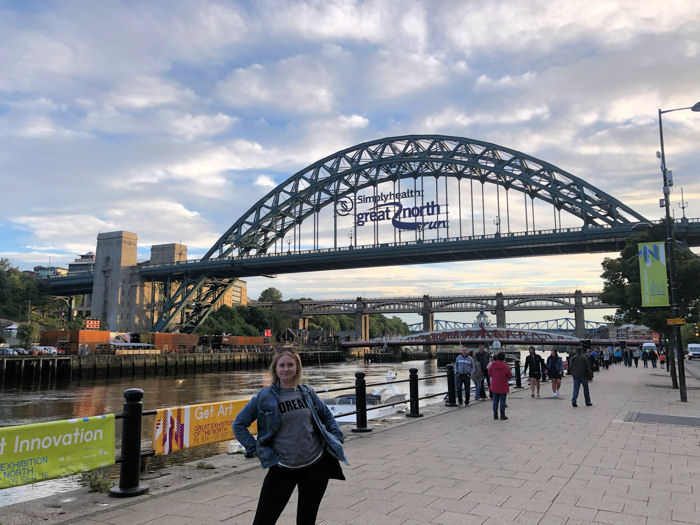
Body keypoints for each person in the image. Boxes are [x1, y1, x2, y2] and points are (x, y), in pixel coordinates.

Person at [233, 349, 348, 525]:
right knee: (263, 520)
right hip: (282, 468)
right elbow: (238, 425)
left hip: (316, 467)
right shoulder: (264, 397)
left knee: (306, 520)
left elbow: (327, 416)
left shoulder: (307, 393)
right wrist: (256, 449)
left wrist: (337, 437)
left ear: (297, 367)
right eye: (282, 365)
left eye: (290, 365)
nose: (286, 369)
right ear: (275, 369)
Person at [488, 352, 512, 420]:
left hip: (495, 385)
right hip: (503, 385)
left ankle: (495, 415)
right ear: (504, 358)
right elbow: (509, 376)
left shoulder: (492, 365)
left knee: (495, 401)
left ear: (497, 358)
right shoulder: (506, 366)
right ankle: (502, 415)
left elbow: (489, 373)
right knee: (502, 401)